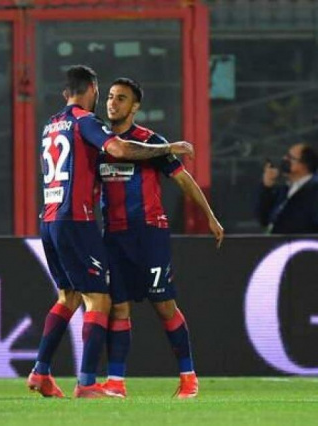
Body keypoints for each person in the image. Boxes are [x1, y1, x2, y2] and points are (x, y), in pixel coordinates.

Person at [27, 66, 194, 399]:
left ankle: (41, 372)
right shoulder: (86, 122)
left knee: (68, 297)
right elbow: (118, 149)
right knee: (100, 299)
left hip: (50, 218)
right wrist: (168, 148)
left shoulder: (51, 125)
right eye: (105, 94)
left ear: (65, 92)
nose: (108, 101)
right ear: (92, 89)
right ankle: (87, 383)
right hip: (76, 220)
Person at [97, 78, 224, 399]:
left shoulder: (150, 141)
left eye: (121, 98)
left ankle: (188, 377)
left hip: (149, 233)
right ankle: (115, 382)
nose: (112, 103)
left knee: (163, 305)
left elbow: (184, 180)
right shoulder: (100, 141)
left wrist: (209, 215)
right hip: (114, 235)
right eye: (110, 96)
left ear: (134, 107)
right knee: (118, 307)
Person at [257, 143, 318, 234]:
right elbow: (264, 218)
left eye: (290, 158)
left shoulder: (314, 191)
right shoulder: (284, 190)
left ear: (304, 165)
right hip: (275, 241)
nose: (284, 159)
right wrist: (267, 186)